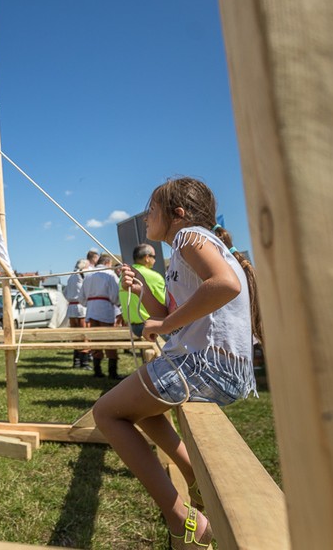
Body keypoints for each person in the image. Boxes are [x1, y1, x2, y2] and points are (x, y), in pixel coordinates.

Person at [92, 177, 263, 549]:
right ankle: (193, 475)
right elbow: (172, 314)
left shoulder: (189, 237)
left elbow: (226, 285)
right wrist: (143, 293)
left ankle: (183, 520)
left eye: (152, 208)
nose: (147, 215)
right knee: (142, 411)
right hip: (218, 369)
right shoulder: (189, 248)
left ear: (178, 215)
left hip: (204, 366)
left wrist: (165, 324)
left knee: (106, 413)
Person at [78, 253, 123, 379]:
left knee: (96, 340)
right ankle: (112, 372)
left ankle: (97, 371)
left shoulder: (88, 276)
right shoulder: (109, 274)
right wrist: (118, 304)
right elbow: (115, 295)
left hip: (91, 310)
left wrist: (90, 303)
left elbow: (81, 297)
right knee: (109, 341)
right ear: (108, 263)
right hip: (105, 309)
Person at [119, 244, 167, 341]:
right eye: (154, 257)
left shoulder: (124, 276)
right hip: (151, 326)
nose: (155, 260)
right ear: (147, 258)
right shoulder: (154, 276)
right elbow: (166, 304)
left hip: (133, 327)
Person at [63, 258, 91, 369]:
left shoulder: (71, 276)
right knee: (84, 335)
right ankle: (84, 362)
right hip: (80, 307)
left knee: (75, 336)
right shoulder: (81, 275)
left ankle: (76, 361)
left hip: (71, 306)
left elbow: (65, 292)